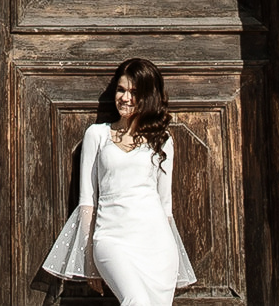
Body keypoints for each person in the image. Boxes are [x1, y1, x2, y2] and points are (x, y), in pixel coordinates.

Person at [40, 58, 197, 306]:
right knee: (137, 301)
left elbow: (165, 205)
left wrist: (174, 254)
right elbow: (87, 202)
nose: (125, 98)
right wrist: (89, 260)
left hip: (157, 244)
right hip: (111, 240)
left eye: (134, 92)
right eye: (121, 90)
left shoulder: (162, 140)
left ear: (149, 96)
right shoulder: (97, 134)